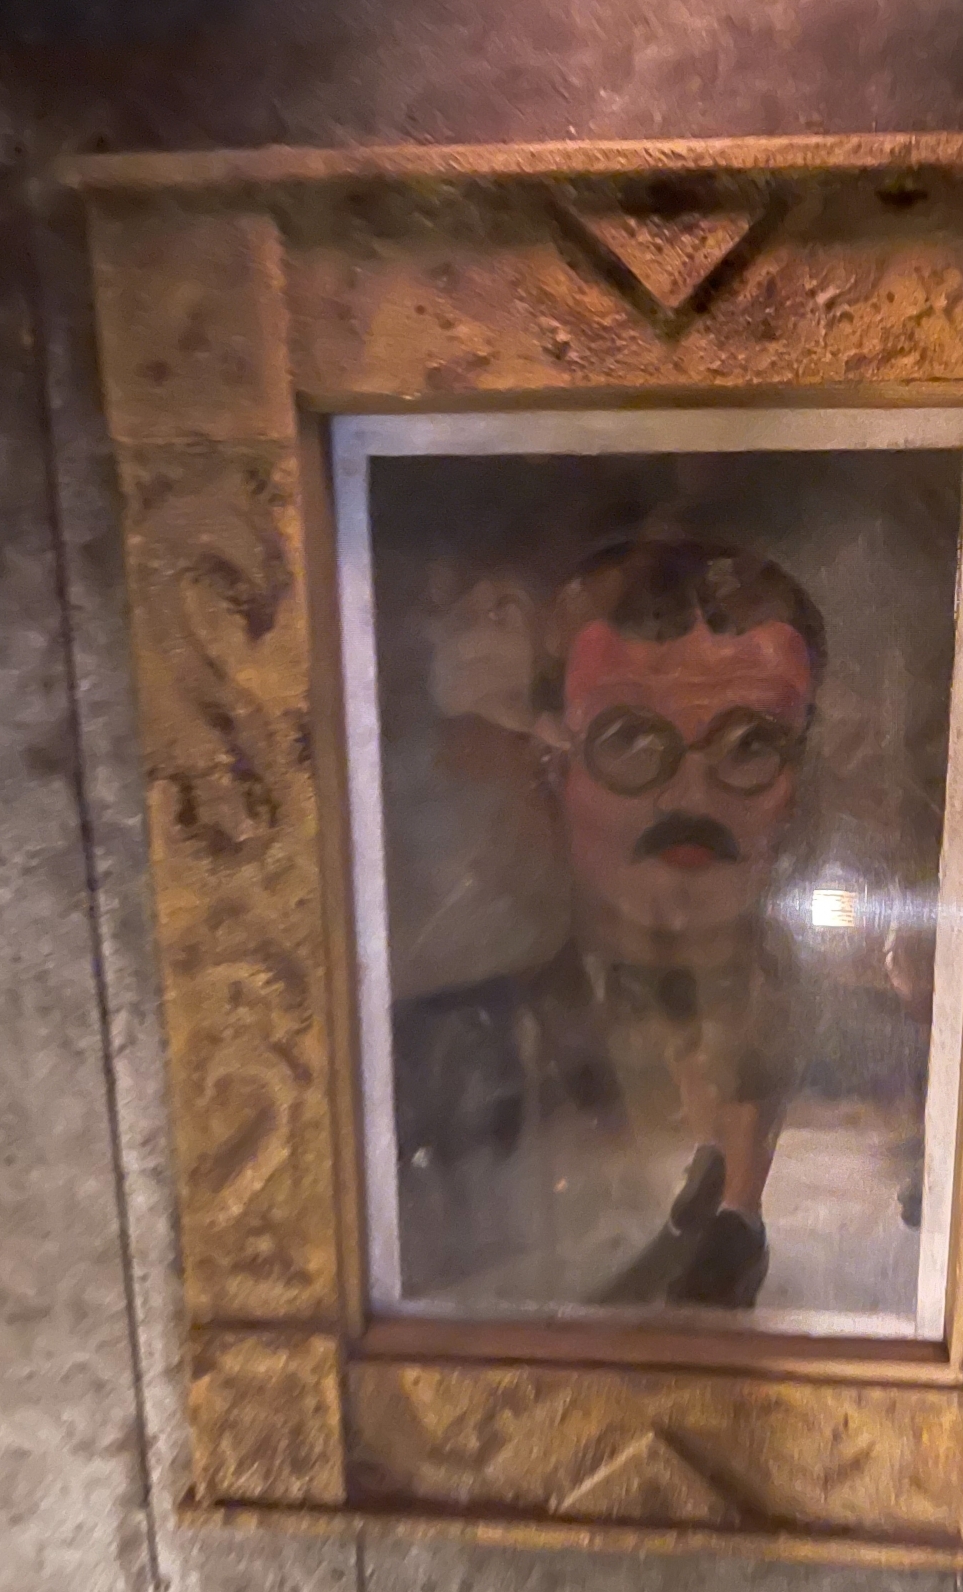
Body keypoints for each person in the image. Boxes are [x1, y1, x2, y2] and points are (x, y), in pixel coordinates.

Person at [391, 534, 919, 1312]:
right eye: (632, 740)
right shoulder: (440, 1063)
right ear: (553, 766)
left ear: (800, 777)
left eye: (750, 745)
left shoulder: (896, 1081)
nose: (690, 798)